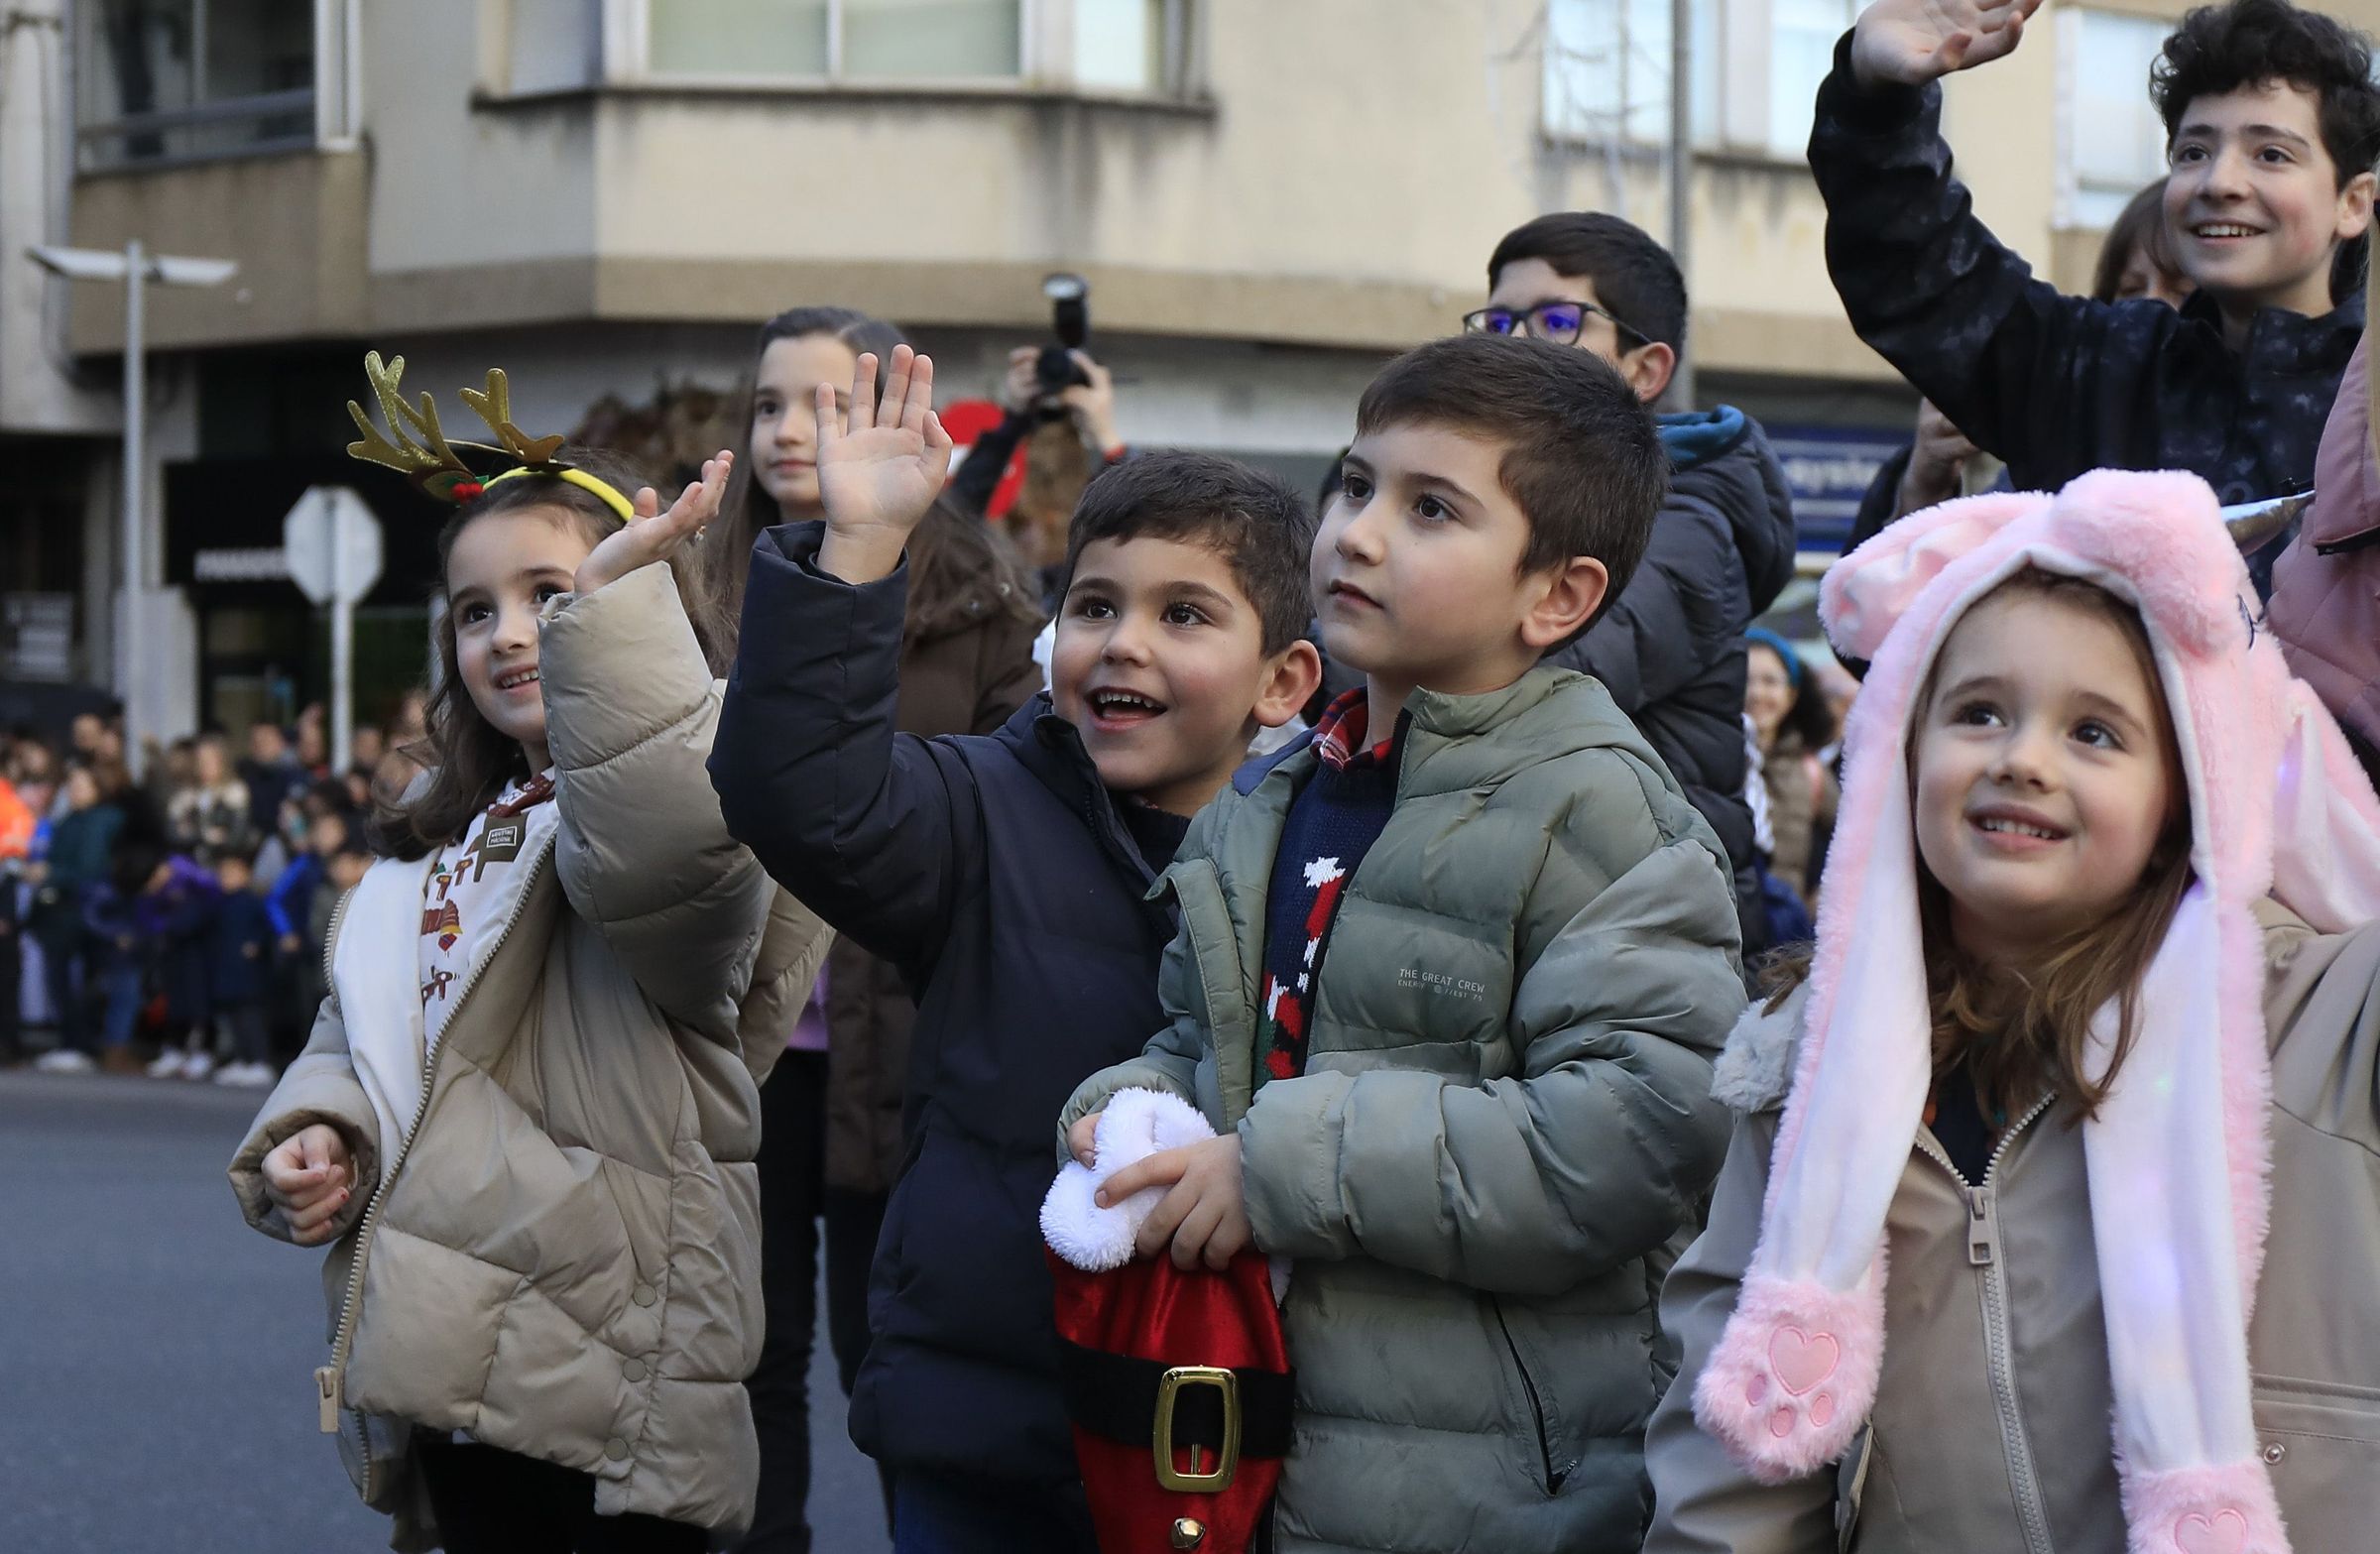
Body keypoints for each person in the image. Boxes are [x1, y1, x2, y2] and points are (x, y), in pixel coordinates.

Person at [1058, 333, 1746, 1553]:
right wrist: (1133, 1109)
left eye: (1432, 509)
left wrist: (1275, 1166)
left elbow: (1637, 1132)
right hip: (1251, 1453)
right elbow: (1201, 1032)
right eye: (1358, 482)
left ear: (1559, 596)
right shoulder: (1272, 794)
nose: (1359, 532)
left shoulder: (1603, 811)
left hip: (1493, 1499)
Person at [1645, 472, 2380, 1552]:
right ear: (1899, 747)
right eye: (1978, 712)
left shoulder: (2326, 1023)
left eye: (2096, 733)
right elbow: (1732, 1483)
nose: (2022, 759)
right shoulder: (1807, 1076)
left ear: (2188, 792)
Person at [709, 344, 1321, 1551]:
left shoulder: (1325, 850)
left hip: (1230, 1429)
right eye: (1094, 606)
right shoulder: (981, 801)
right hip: (988, 1422)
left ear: (1284, 680)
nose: (1123, 643)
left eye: (1183, 613)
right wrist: (860, 555)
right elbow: (797, 794)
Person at [229, 361, 830, 1554]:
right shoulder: (438, 844)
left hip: (602, 1369)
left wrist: (608, 631)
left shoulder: (694, 797)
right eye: (472, 609)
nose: (511, 633)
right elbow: (368, 1034)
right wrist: (323, 1128)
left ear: (641, 604)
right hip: (451, 1337)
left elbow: (661, 859)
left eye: (551, 592)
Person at [705, 305, 1044, 1554]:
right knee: (748, 1359)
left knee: (896, 1368)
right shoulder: (699, 584)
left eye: (823, 401)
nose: (791, 432)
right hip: (734, 1042)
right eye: (767, 405)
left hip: (901, 1046)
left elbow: (1018, 812)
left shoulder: (975, 599)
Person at [1815, 0, 2380, 590]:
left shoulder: (2372, 399)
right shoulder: (2097, 367)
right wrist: (1875, 98)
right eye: (2194, 152)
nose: (2220, 182)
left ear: (2354, 203)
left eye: (2271, 154)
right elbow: (1920, 272)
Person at [1472, 211, 1799, 961]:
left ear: (1646, 370)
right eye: (1495, 319)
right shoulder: (1512, 496)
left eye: (1557, 319)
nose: (1514, 342)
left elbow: (1548, 673)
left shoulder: (1688, 517)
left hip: (1650, 935)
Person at [1847, 176, 2199, 550]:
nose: (2149, 310)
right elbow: (1895, 600)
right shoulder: (2050, 463)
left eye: (2183, 292)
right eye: (2130, 290)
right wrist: (1923, 486)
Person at [950, 345, 1130, 607]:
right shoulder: (990, 539)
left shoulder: (1088, 540)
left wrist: (1105, 434)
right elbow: (959, 511)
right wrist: (1012, 419)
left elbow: (1137, 524)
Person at [29, 765, 124, 1073]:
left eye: (82, 785)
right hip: (62, 913)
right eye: (72, 785)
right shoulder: (67, 820)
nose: (75, 791)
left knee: (80, 981)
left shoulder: (103, 820)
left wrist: (51, 873)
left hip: (87, 914)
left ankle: (81, 1044)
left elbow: (91, 868)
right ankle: (71, 1041)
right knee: (60, 979)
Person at [1743, 628, 1840, 912]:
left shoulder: (1811, 771)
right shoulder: (1704, 761)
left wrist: (1826, 894)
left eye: (1770, 681)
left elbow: (1855, 838)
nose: (1756, 693)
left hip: (1784, 931)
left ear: (1792, 694)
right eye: (1744, 680)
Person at [205, 844, 279, 1088]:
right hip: (227, 971)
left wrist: (256, 945)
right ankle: (242, 1059)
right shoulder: (221, 904)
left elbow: (268, 930)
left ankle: (259, 1060)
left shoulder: (252, 902)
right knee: (234, 1020)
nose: (225, 878)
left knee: (250, 1019)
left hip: (247, 973)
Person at [168, 732, 255, 861]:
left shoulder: (235, 791)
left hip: (224, 863)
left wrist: (193, 832)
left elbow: (236, 839)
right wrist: (204, 835)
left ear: (222, 762)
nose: (203, 766)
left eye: (209, 761)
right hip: (192, 860)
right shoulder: (188, 794)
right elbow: (172, 834)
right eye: (199, 761)